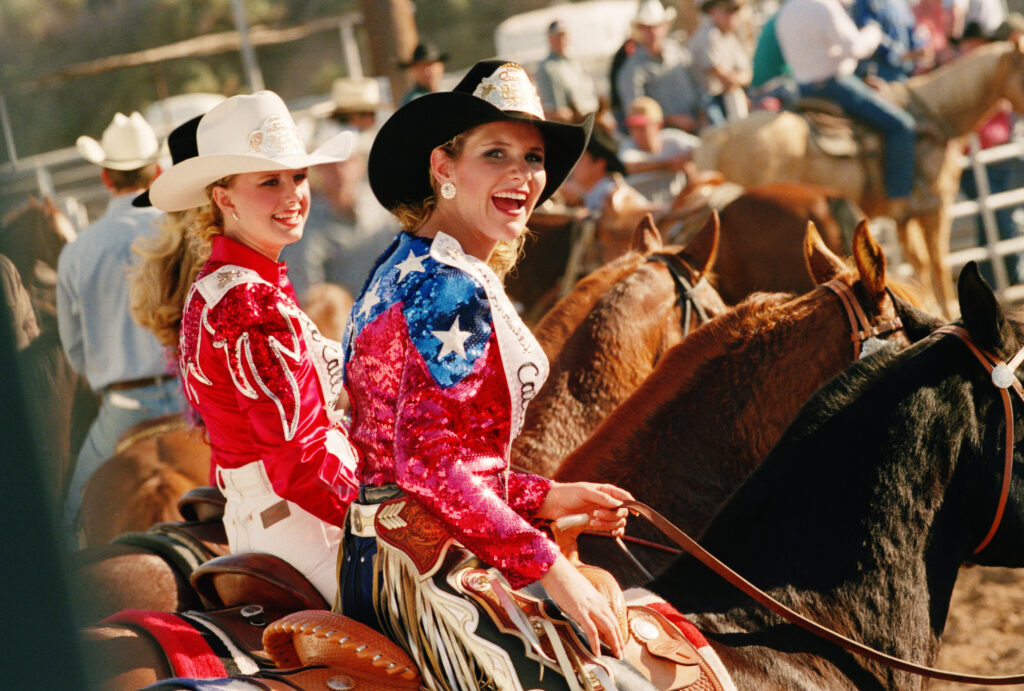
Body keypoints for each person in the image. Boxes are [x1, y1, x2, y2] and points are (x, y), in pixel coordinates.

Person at [340, 60, 636, 689]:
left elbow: (426, 460)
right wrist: (551, 567)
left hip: (384, 552)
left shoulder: (404, 261)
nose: (521, 175)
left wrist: (543, 497)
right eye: (495, 153)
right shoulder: (448, 286)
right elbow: (427, 466)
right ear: (443, 167)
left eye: (533, 158)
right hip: (429, 569)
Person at [138, 91, 360, 603]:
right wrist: (382, 515)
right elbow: (297, 463)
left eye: (298, 176)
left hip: (274, 518)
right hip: (308, 526)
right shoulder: (249, 301)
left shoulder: (223, 284)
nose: (293, 195)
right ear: (224, 198)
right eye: (269, 182)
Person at [57, 111, 185, 541]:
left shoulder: (77, 251)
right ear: (158, 171)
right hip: (192, 397)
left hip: (125, 406)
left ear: (105, 178)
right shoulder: (182, 231)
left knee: (71, 517)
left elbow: (75, 352)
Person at [775, 0, 920, 209]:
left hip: (803, 89)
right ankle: (899, 199)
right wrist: (873, 33)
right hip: (835, 84)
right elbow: (854, 48)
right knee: (902, 125)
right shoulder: (824, 5)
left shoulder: (785, 11)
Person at [280, 78, 399, 299]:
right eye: (330, 164)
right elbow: (310, 297)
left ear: (360, 164)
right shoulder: (305, 227)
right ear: (318, 169)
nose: (339, 171)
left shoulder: (382, 208)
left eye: (346, 162)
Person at [615, 0, 708, 134]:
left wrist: (702, 114)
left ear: (665, 27)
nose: (653, 31)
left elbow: (698, 81)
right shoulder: (632, 69)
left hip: (698, 119)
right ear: (640, 29)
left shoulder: (677, 51)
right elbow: (635, 110)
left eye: (657, 26)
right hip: (662, 131)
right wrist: (671, 119)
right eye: (647, 27)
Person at [619, 96, 701, 205]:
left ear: (658, 126)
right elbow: (630, 166)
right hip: (645, 210)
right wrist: (669, 165)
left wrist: (687, 160)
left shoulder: (673, 139)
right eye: (633, 127)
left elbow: (703, 148)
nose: (636, 132)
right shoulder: (627, 145)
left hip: (677, 205)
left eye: (642, 127)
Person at [688, 0, 753, 122]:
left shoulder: (730, 37)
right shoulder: (708, 35)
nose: (733, 15)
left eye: (735, 11)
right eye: (728, 10)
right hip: (705, 102)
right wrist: (737, 79)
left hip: (725, 98)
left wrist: (737, 79)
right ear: (712, 12)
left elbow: (747, 75)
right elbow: (723, 78)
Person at [534, 19, 600, 122]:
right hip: (571, 122)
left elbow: (589, 93)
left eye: (563, 35)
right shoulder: (546, 68)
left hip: (590, 118)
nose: (561, 40)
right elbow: (549, 108)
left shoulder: (575, 64)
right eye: (557, 36)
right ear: (550, 39)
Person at [850, 0, 933, 80]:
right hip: (881, 73)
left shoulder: (901, 2)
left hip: (906, 72)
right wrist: (904, 55)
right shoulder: (864, 2)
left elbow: (911, 28)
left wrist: (921, 50)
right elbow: (871, 37)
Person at [398, 41, 447, 107]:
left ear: (441, 66)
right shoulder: (413, 100)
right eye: (422, 67)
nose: (428, 71)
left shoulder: (446, 89)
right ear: (414, 70)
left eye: (431, 65)